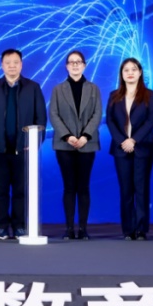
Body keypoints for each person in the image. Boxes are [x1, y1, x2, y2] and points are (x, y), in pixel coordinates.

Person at [0, 49, 47, 241]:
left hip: (23, 149)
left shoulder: (33, 87)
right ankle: (1, 227)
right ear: (2, 65)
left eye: (15, 62)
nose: (12, 66)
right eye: (8, 62)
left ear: (21, 64)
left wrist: (35, 144)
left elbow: (41, 119)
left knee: (20, 191)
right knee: (0, 191)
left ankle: (19, 227)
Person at [48, 50, 102, 240]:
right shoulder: (58, 89)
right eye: (71, 62)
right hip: (64, 145)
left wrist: (86, 135)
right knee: (69, 187)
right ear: (66, 66)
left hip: (87, 144)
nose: (75, 65)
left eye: (78, 62)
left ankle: (83, 229)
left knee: (84, 187)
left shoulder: (94, 89)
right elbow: (53, 114)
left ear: (84, 65)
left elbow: (97, 114)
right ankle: (70, 228)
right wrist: (68, 136)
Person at [106, 57, 153, 241]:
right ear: (121, 74)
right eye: (126, 70)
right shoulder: (114, 95)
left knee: (142, 188)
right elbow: (110, 121)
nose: (130, 73)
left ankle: (141, 229)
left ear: (140, 72)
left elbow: (151, 120)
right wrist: (123, 141)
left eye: (133, 69)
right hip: (121, 148)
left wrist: (134, 140)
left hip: (143, 147)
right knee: (126, 190)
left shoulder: (149, 94)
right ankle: (128, 230)